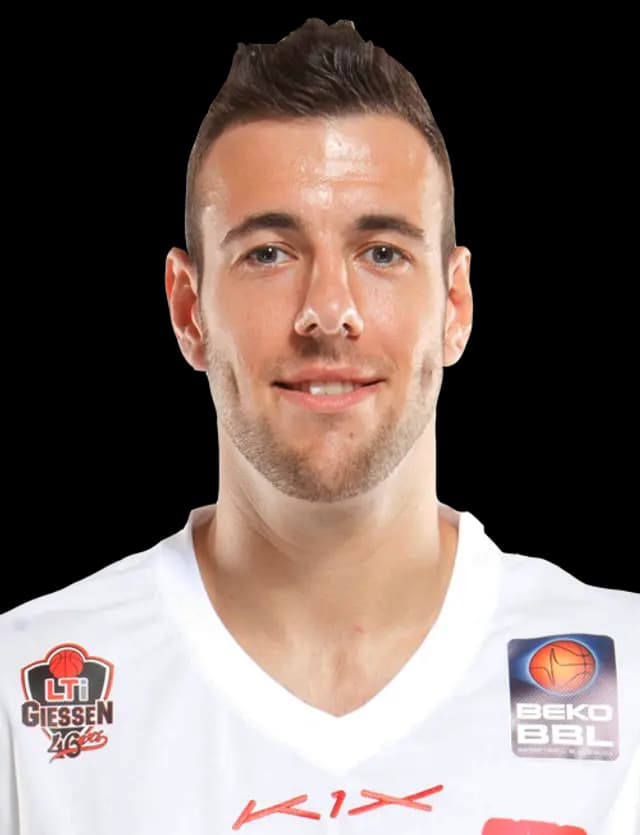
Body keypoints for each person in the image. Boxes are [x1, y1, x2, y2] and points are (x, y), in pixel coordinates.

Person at [1, 17, 638, 834]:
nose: (328, 310)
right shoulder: (25, 686)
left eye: (382, 252)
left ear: (455, 305)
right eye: (269, 252)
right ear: (189, 311)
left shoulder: (625, 672)